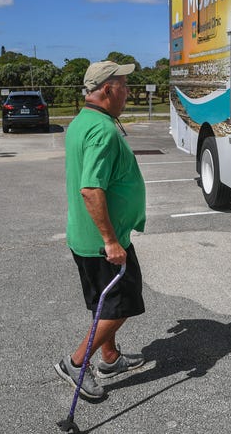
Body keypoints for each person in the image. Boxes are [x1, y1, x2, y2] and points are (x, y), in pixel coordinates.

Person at [55, 60, 147, 399]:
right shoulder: (103, 130)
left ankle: (109, 358)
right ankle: (77, 363)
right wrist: (110, 240)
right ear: (107, 89)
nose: (128, 91)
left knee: (103, 302)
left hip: (88, 236)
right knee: (123, 304)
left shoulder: (84, 121)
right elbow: (91, 189)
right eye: (124, 84)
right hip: (102, 241)